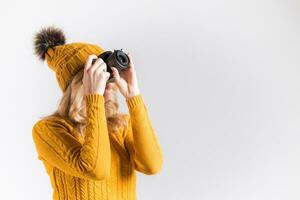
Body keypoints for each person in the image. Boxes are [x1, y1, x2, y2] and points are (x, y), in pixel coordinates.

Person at [31, 26, 163, 200]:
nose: (106, 81)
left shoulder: (121, 125)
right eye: (97, 75)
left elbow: (152, 165)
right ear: (76, 84)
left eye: (107, 74)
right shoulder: (48, 129)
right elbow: (95, 169)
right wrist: (94, 98)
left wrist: (134, 98)